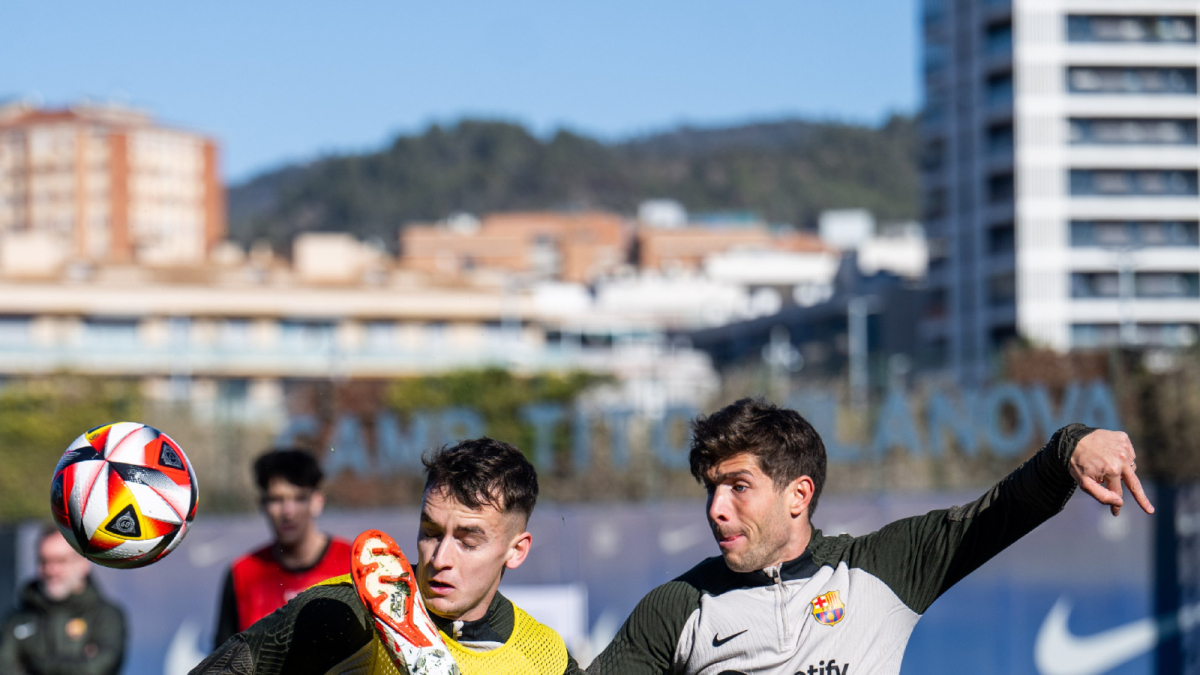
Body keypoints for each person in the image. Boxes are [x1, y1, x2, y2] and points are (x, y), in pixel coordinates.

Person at [582, 397, 1154, 675]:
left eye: (737, 487)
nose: (716, 509)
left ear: (798, 495)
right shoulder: (677, 609)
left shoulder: (879, 570)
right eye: (710, 489)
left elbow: (1001, 511)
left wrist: (1071, 445)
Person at [192, 437, 580, 675]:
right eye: (429, 533)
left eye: (467, 541)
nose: (440, 557)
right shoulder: (343, 607)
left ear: (517, 550)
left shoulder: (544, 655)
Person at [213, 448, 352, 648]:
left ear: (318, 501)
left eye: (299, 498)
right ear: (262, 504)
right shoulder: (242, 575)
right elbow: (223, 663)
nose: (288, 511)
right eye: (277, 499)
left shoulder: (353, 564)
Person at [0, 528, 126, 675]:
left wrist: (35, 663)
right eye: (43, 561)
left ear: (84, 564)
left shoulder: (106, 616)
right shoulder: (15, 620)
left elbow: (98, 669)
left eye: (61, 561)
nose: (51, 570)